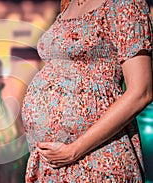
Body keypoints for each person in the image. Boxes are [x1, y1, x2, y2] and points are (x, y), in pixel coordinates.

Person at [21, 0, 153, 182]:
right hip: (52, 163)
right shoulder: (70, 3)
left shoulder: (125, 4)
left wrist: (73, 150)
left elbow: (141, 92)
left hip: (95, 157)